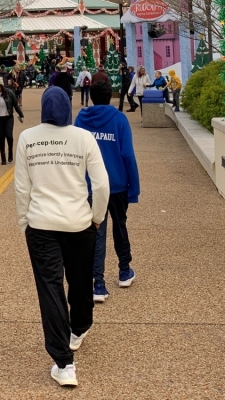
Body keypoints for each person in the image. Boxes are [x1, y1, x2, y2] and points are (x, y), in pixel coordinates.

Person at [15, 87, 110, 388]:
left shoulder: (28, 138)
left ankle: (64, 363)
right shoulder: (83, 137)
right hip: (79, 223)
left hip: (41, 224)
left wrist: (23, 223)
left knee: (50, 289)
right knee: (81, 280)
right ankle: (79, 327)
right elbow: (102, 185)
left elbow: (21, 188)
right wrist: (97, 217)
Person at [75, 80, 140, 303]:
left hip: (91, 184)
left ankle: (98, 283)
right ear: (110, 95)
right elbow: (128, 155)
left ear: (91, 96)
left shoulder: (81, 119)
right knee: (120, 225)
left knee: (97, 230)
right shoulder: (119, 119)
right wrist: (134, 187)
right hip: (117, 182)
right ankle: (124, 270)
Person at [0, 77, 24, 164]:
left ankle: (10, 153)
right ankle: (3, 158)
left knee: (9, 136)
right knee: (1, 137)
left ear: (1, 85)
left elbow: (15, 104)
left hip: (8, 117)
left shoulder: (9, 92)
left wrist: (21, 115)